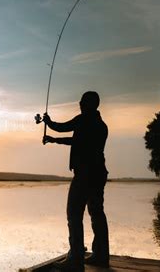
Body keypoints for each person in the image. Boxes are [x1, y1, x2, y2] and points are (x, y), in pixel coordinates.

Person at [41, 91, 109, 271]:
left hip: (85, 174)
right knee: (97, 213)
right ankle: (101, 256)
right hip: (99, 173)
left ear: (90, 104)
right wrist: (53, 138)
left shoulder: (82, 120)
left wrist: (49, 124)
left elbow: (63, 128)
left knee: (74, 213)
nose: (79, 103)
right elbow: (77, 140)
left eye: (82, 101)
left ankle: (76, 258)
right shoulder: (102, 126)